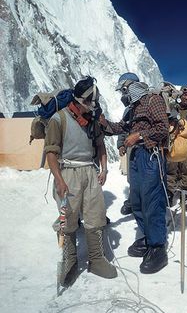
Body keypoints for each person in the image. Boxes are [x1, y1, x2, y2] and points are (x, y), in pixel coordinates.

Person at [44, 76, 117, 286]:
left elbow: (100, 144)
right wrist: (59, 180)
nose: (92, 106)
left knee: (95, 215)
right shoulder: (59, 120)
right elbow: (51, 152)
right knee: (68, 217)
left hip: (90, 172)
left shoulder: (92, 121)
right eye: (89, 102)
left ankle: (96, 259)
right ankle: (70, 259)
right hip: (68, 172)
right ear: (78, 100)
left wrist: (103, 169)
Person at [99, 73, 169, 274]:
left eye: (124, 89)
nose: (122, 94)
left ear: (131, 86)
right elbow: (122, 128)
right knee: (137, 200)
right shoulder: (131, 109)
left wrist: (139, 135)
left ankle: (158, 247)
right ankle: (148, 237)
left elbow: (162, 128)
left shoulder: (151, 100)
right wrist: (105, 124)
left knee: (152, 201)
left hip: (151, 156)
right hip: (137, 157)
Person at [116, 73, 140, 216]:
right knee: (132, 178)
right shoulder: (128, 110)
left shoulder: (148, 103)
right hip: (132, 149)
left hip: (148, 149)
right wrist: (121, 144)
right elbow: (124, 127)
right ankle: (133, 201)